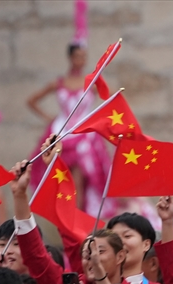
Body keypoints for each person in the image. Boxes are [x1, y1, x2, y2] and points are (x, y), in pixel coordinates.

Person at [25, 38, 109, 216]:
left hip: (83, 135)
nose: (81, 60)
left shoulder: (92, 83)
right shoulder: (58, 83)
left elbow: (110, 103)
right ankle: (65, 218)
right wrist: (49, 118)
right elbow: (31, 101)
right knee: (60, 181)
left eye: (84, 57)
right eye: (78, 56)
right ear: (70, 57)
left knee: (78, 182)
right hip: (61, 133)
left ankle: (76, 219)